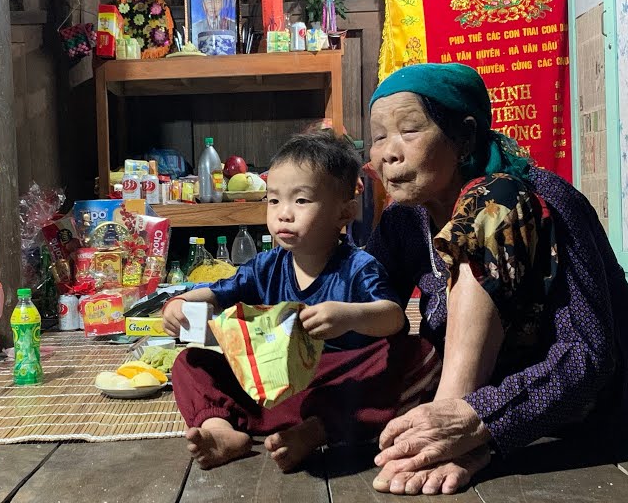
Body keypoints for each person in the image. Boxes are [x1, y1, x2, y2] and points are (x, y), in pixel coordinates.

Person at [363, 62, 628, 496]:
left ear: (463, 136)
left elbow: (589, 360)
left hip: (574, 415)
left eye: (409, 130)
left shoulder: (541, 197)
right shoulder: (403, 220)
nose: (389, 151)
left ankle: (451, 421)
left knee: (493, 201)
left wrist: (474, 419)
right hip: (475, 412)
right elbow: (361, 296)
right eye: (379, 136)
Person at [165, 132, 433, 472]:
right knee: (189, 362)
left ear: (345, 212)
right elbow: (220, 291)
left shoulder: (357, 267)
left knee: (417, 353)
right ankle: (221, 430)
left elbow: (394, 317)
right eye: (273, 201)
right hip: (269, 386)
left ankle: (314, 432)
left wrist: (348, 316)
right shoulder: (266, 266)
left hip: (337, 385)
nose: (283, 214)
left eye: (301, 201)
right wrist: (180, 302)